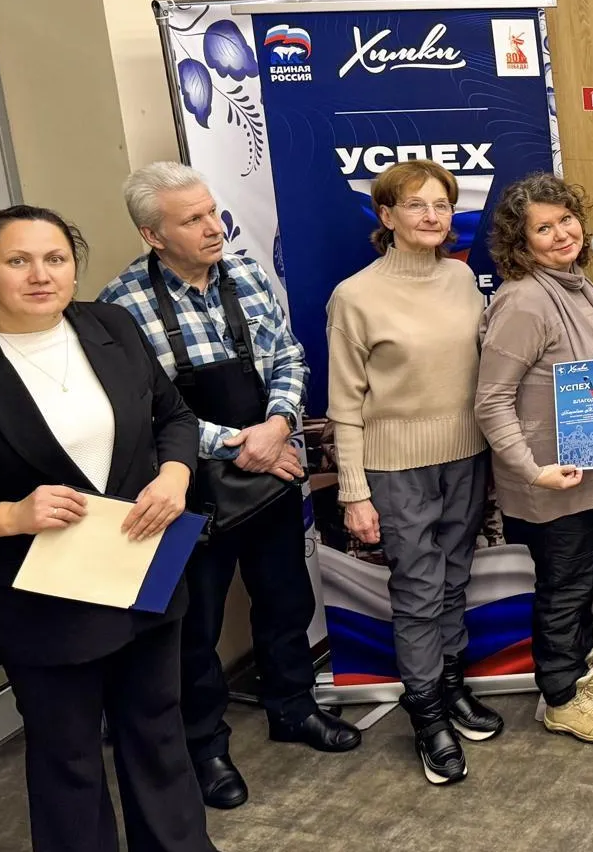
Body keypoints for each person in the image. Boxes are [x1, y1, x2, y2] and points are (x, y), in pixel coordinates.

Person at [0, 206, 214, 852]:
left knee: (160, 732)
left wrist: (174, 476)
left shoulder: (110, 325)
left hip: (145, 563)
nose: (40, 275)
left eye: (55, 259)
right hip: (40, 592)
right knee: (68, 756)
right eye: (17, 261)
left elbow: (175, 417)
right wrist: (8, 516)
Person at [98, 162, 359, 811]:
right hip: (189, 491)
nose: (215, 227)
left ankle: (293, 707)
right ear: (153, 235)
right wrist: (246, 447)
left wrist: (279, 423)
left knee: (285, 598)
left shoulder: (245, 274)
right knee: (196, 626)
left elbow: (288, 357)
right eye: (193, 220)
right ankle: (205, 745)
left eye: (213, 211)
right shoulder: (121, 306)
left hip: (271, 472)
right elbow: (147, 410)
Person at [327, 159, 501, 786]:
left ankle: (451, 687)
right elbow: (344, 406)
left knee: (455, 578)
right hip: (395, 467)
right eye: (416, 205)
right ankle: (426, 715)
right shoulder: (355, 296)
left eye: (442, 204)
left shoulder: (461, 280)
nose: (432, 216)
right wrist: (354, 494)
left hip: (466, 456)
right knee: (420, 589)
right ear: (387, 215)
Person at [476, 174, 593, 739]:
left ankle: (580, 673)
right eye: (543, 228)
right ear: (521, 242)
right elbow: (491, 400)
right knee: (564, 586)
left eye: (566, 219)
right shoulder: (524, 300)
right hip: (552, 478)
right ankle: (560, 697)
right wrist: (531, 470)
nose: (562, 233)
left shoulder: (577, 283)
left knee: (585, 579)